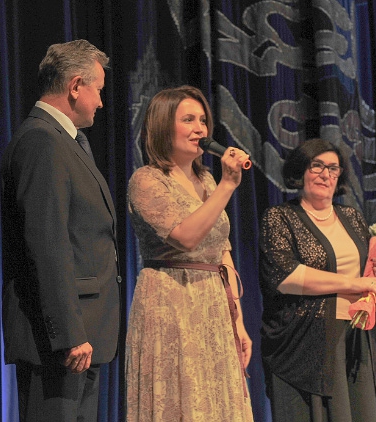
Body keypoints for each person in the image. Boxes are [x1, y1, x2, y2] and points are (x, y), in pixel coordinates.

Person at [0, 39, 121, 422]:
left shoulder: (63, 141)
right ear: (75, 86)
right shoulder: (41, 141)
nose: (100, 102)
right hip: (59, 343)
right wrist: (69, 333)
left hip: (82, 336)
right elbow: (47, 243)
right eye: (98, 90)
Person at [125, 85, 254, 421]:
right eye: (188, 120)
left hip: (214, 302)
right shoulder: (147, 181)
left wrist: (237, 321)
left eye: (203, 120)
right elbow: (186, 238)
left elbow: (222, 251)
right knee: (182, 399)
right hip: (171, 299)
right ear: (163, 126)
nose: (200, 129)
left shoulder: (208, 180)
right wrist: (228, 185)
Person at [258, 138, 376, 422]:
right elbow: (285, 276)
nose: (325, 174)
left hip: (355, 339)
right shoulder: (279, 218)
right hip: (305, 344)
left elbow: (370, 283)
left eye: (333, 168)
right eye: (317, 166)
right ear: (301, 170)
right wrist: (354, 284)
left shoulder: (352, 217)